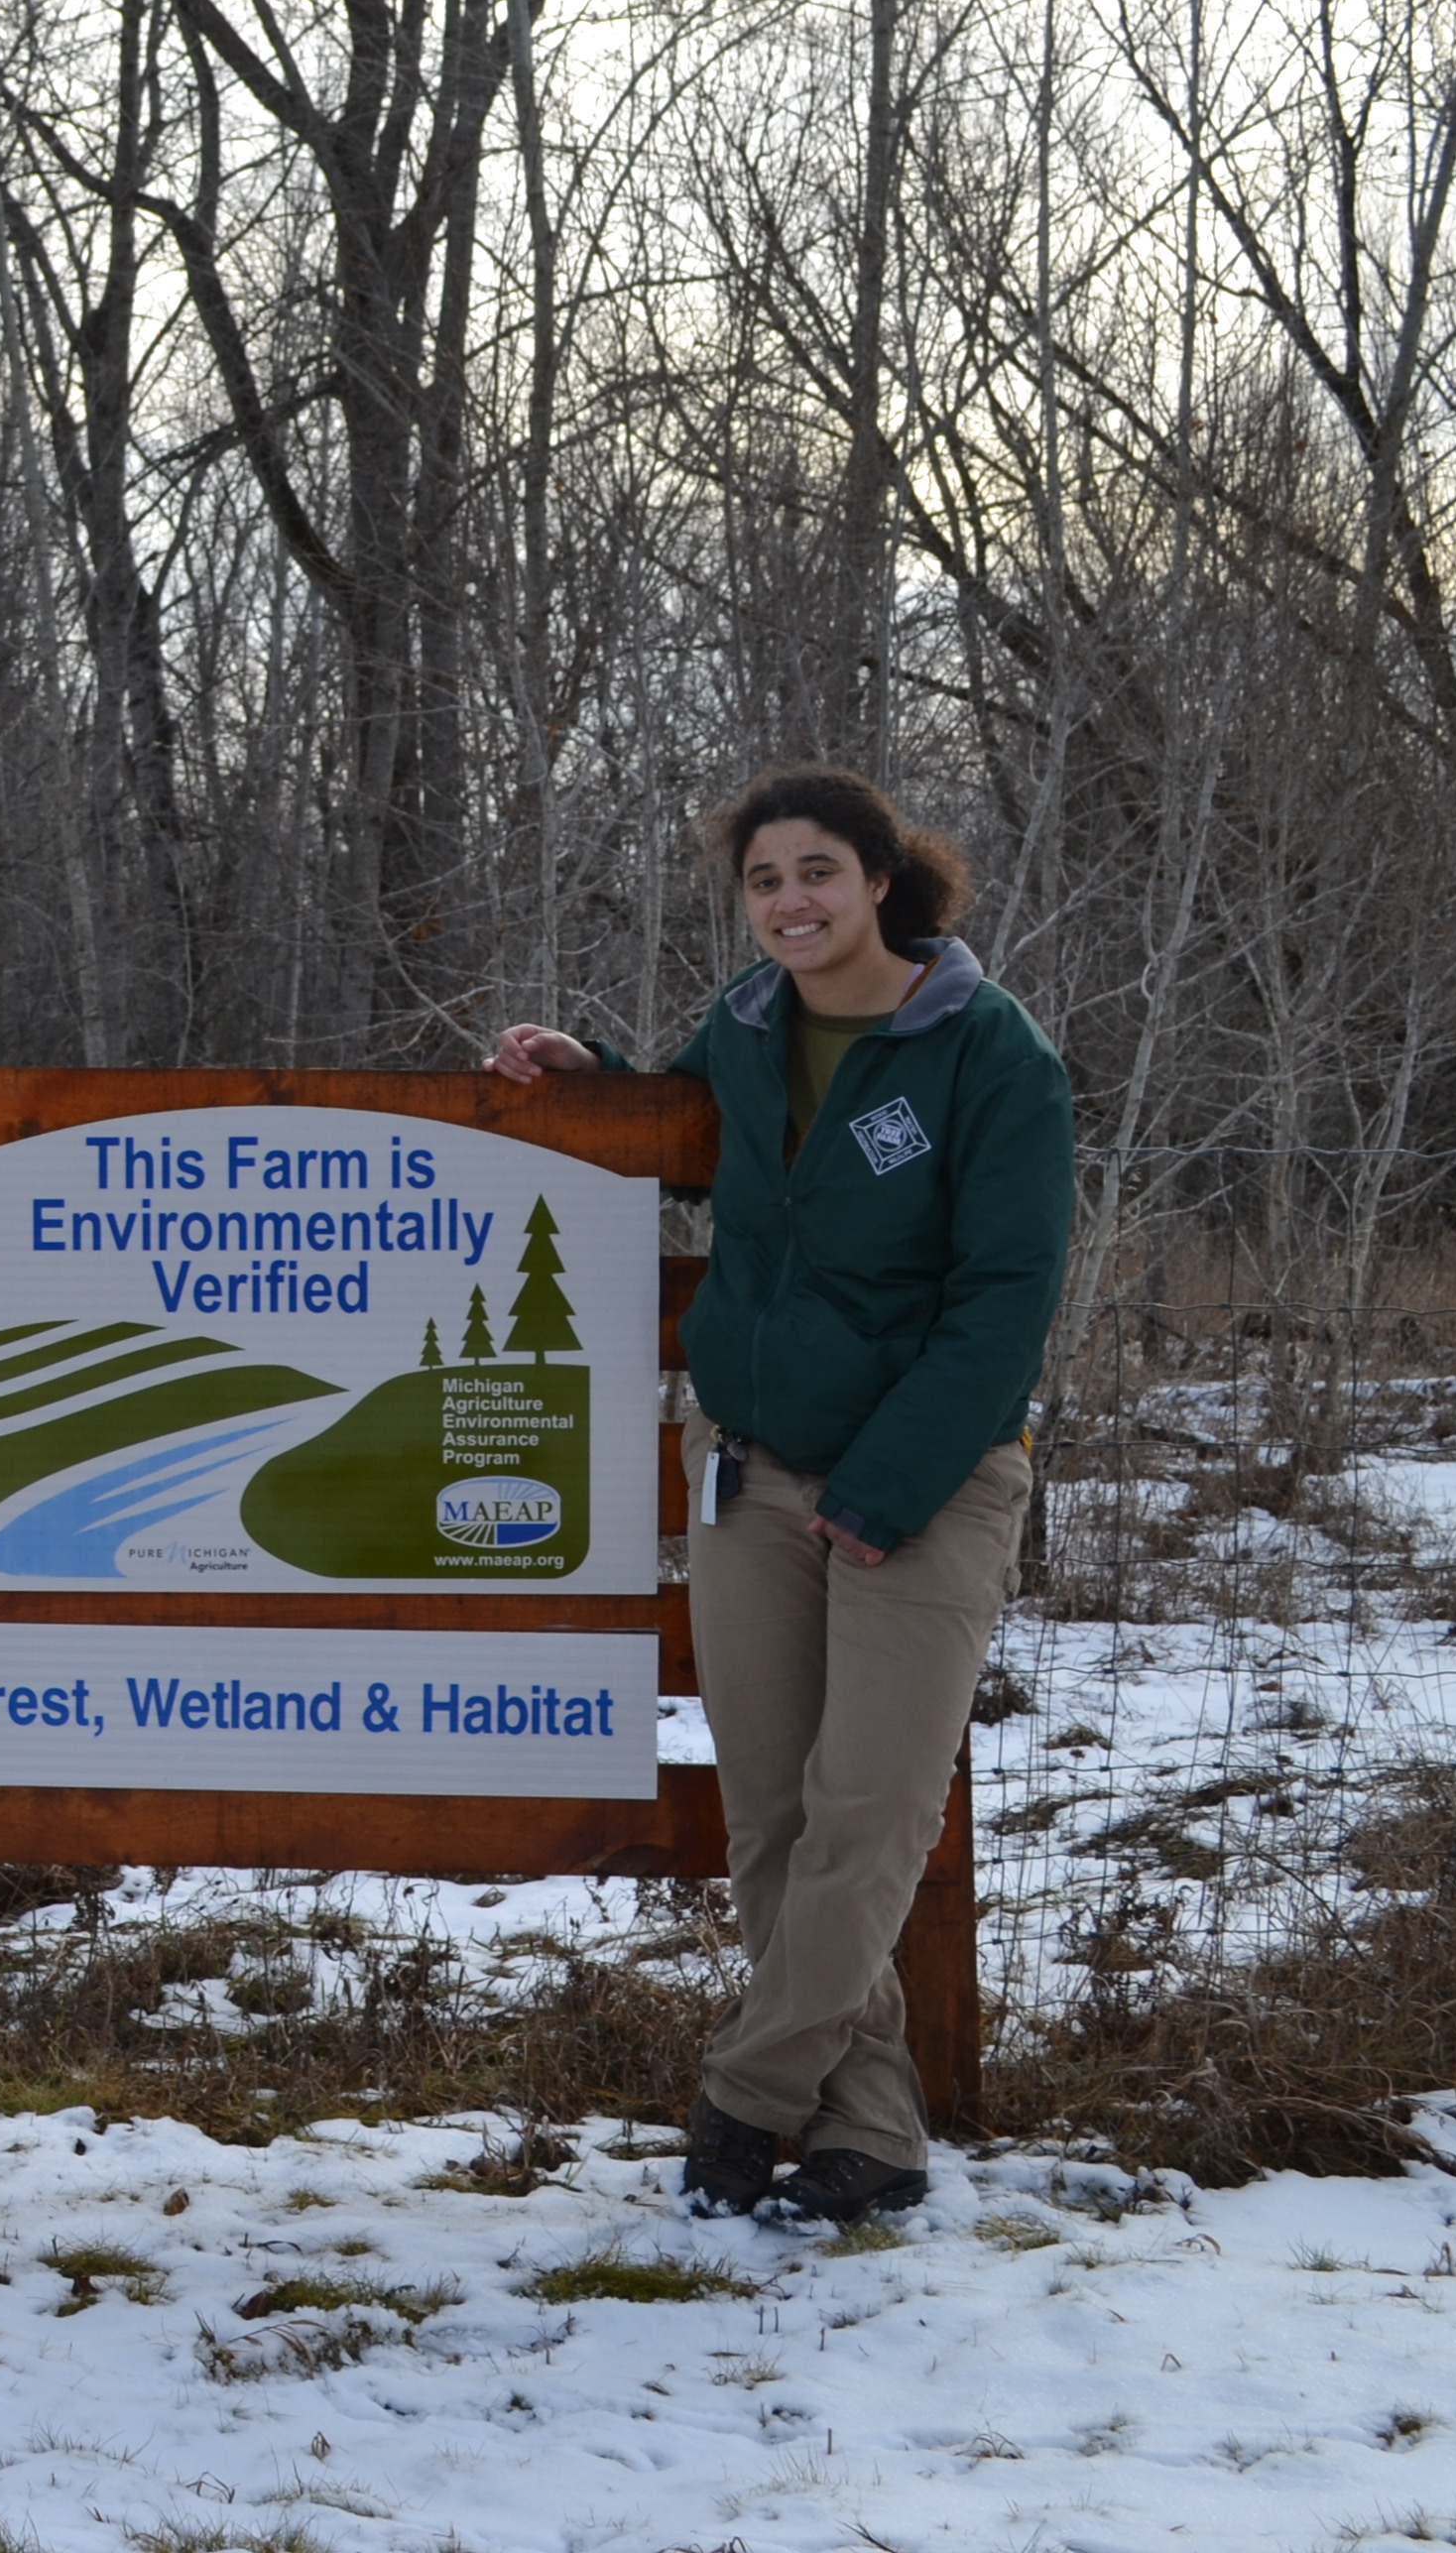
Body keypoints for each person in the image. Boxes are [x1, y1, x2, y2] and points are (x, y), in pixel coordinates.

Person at [490, 764, 1070, 2227]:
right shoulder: (748, 1030)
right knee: (772, 1822)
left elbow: (1005, 1303)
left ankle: (747, 2096)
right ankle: (870, 2131)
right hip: (747, 1472)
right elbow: (713, 1150)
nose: (790, 901)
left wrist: (884, 1487)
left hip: (926, 1486)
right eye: (763, 881)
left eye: (817, 871)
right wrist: (595, 1068)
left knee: (869, 1820)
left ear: (884, 879)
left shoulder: (989, 1052)